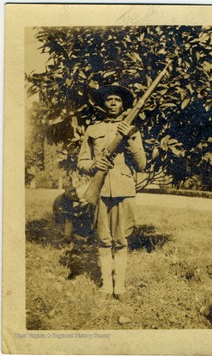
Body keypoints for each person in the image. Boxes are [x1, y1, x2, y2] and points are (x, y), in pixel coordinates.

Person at [77, 85, 146, 301]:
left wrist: (131, 139)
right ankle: (107, 286)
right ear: (103, 104)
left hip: (124, 189)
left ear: (123, 104)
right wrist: (93, 164)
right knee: (104, 239)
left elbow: (142, 164)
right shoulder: (92, 130)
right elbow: (81, 162)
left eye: (118, 99)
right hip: (101, 190)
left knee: (122, 239)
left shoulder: (132, 130)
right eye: (110, 99)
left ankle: (120, 287)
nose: (114, 102)